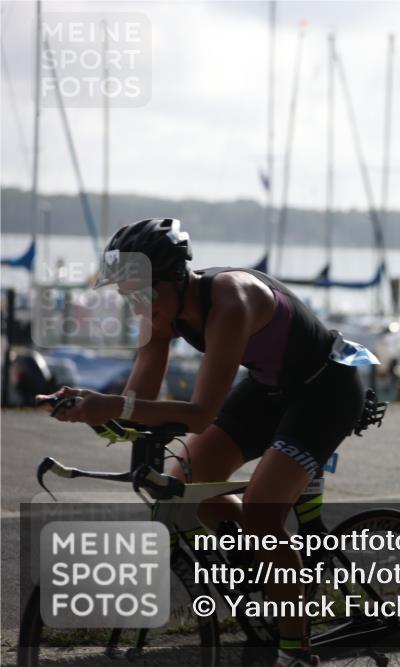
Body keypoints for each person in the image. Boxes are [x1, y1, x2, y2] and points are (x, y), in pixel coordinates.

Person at [47, 218, 372, 667]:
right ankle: (269, 571)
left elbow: (200, 415)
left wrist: (114, 407)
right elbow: (136, 403)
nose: (138, 305)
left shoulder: (230, 302)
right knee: (186, 487)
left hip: (325, 390)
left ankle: (295, 652)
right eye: (129, 296)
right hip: (270, 387)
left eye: (143, 293)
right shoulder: (161, 311)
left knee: (261, 513)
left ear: (176, 280)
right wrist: (90, 409)